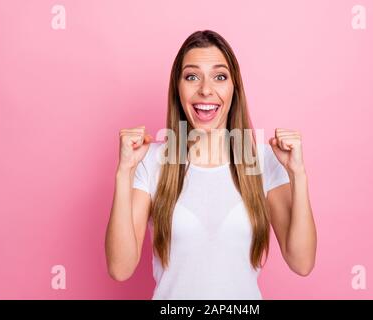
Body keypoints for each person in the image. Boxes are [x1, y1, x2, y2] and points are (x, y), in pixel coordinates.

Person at [105, 30, 317, 300]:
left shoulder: (262, 161)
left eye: (220, 77)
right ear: (178, 88)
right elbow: (120, 268)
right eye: (192, 76)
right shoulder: (150, 161)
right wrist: (124, 173)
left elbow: (302, 262)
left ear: (234, 88)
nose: (206, 89)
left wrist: (299, 175)